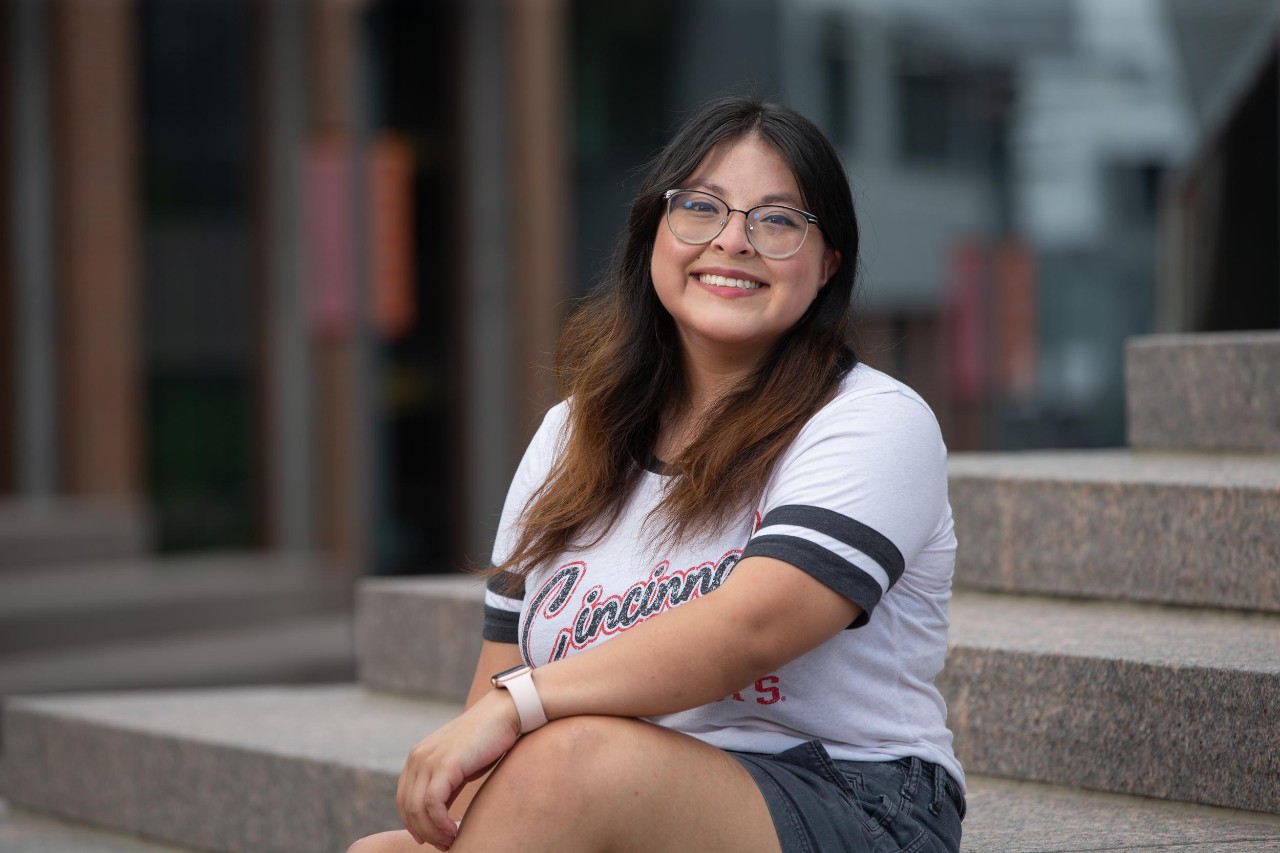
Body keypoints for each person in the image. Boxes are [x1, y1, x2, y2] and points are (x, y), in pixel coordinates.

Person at [349, 94, 965, 853]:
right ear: (654, 233)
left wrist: (520, 707)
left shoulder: (872, 421)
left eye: (777, 221)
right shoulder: (572, 435)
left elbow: (752, 627)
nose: (733, 240)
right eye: (701, 207)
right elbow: (498, 674)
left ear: (827, 262)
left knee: (567, 761)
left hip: (853, 799)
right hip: (616, 795)